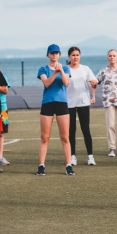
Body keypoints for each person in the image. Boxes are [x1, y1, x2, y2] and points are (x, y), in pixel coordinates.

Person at [36, 44, 73, 176]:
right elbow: (46, 83)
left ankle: (68, 165)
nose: (54, 55)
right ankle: (41, 165)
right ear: (48, 55)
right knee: (44, 137)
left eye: (56, 53)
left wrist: (61, 70)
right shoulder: (43, 69)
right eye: (52, 53)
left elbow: (66, 83)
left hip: (61, 103)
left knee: (65, 137)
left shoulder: (66, 68)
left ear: (59, 54)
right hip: (47, 103)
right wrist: (55, 72)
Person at [66, 46, 98, 166]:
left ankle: (90, 156)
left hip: (83, 102)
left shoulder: (85, 69)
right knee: (71, 131)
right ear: (69, 56)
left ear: (80, 56)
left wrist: (93, 90)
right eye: (73, 55)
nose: (75, 57)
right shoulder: (65, 69)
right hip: (69, 103)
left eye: (77, 55)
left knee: (85, 129)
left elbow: (94, 83)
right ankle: (72, 156)